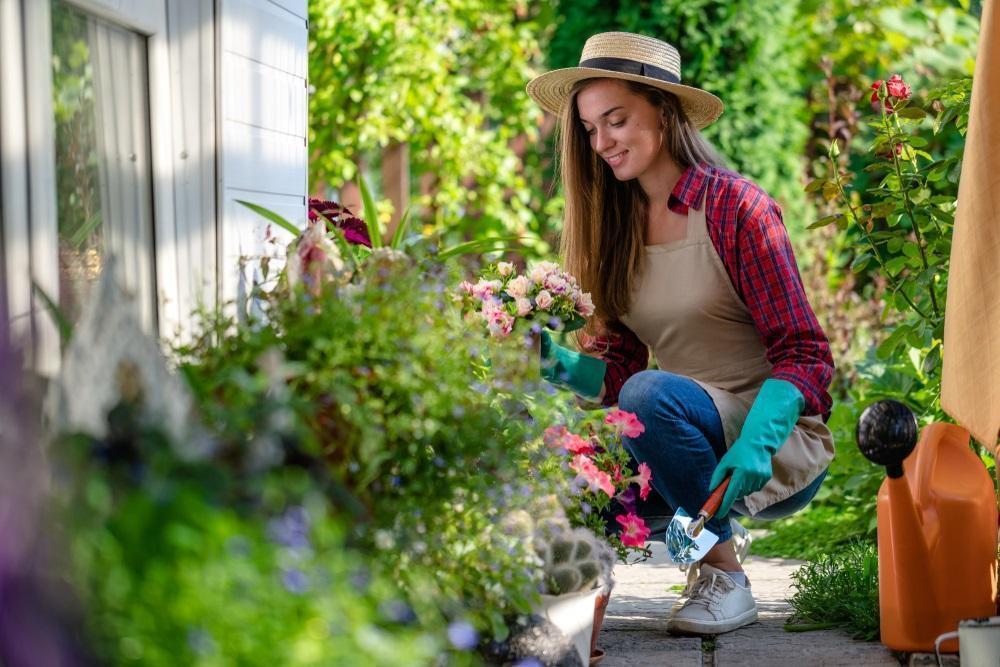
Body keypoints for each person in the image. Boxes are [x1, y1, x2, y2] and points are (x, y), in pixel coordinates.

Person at [526, 32, 835, 635]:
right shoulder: (614, 229)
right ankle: (571, 606)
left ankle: (724, 575)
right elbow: (616, 374)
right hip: (681, 436)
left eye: (616, 120)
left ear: (663, 114)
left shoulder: (735, 209)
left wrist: (755, 443)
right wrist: (548, 361)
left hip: (772, 439)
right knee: (572, 483)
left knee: (648, 394)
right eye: (590, 129)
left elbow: (804, 352)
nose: (603, 142)